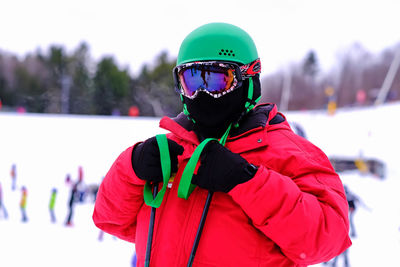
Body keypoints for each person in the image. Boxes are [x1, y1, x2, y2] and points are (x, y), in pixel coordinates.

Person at [93, 22, 351, 266]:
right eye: (192, 81)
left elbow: (328, 237)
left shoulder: (288, 152)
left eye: (217, 81)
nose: (202, 94)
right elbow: (109, 220)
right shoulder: (171, 152)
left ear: (249, 80)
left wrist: (247, 181)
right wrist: (131, 169)